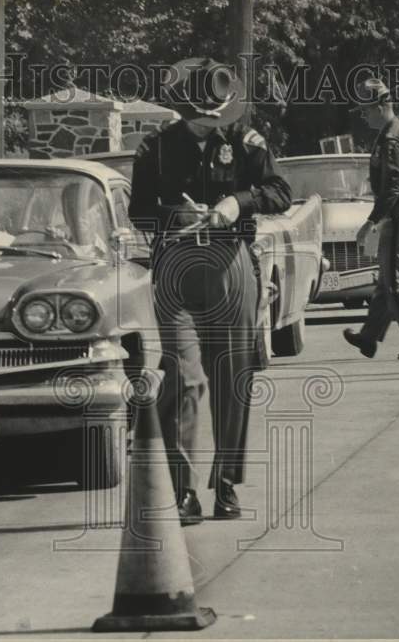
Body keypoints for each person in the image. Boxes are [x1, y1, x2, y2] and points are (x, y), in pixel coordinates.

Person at [128, 57, 292, 526]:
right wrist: (173, 217)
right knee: (182, 378)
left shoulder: (245, 142)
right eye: (203, 116)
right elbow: (138, 211)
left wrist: (236, 201)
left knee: (232, 376)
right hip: (177, 266)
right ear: (184, 110)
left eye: (217, 114)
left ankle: (225, 483)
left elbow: (280, 191)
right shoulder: (156, 148)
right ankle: (183, 490)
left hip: (231, 260)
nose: (212, 122)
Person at [343, 78, 399, 360]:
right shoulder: (390, 134)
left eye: (367, 110)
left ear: (382, 106)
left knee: (396, 283)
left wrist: (371, 222)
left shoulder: (392, 139)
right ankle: (369, 337)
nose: (364, 116)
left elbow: (394, 184)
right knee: (386, 282)